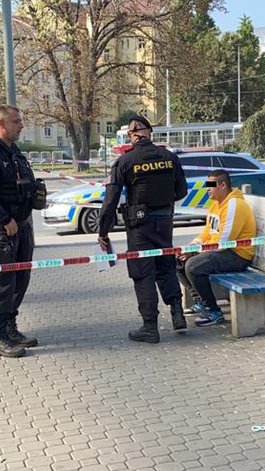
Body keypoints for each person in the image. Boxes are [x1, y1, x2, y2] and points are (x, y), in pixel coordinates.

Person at [97, 114, 188, 344]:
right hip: (165, 221)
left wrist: (103, 232)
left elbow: (111, 200)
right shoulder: (169, 157)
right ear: (150, 133)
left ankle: (150, 327)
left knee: (142, 273)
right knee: (166, 266)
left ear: (131, 136)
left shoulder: (125, 162)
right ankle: (177, 314)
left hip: (139, 226)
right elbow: (182, 191)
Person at [0, 105, 46, 358]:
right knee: (3, 281)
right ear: (1, 124)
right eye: (16, 121)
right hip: (2, 227)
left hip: (22, 223)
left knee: (21, 278)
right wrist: (4, 219)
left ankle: (10, 325)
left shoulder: (13, 152)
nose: (21, 125)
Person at [177, 170, 256, 326]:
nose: (207, 189)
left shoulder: (234, 205)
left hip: (237, 254)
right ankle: (200, 300)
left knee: (194, 266)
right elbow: (207, 232)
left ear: (223, 185)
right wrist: (191, 247)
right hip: (219, 251)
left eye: (211, 186)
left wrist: (194, 252)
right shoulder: (215, 205)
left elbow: (224, 241)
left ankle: (214, 311)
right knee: (177, 259)